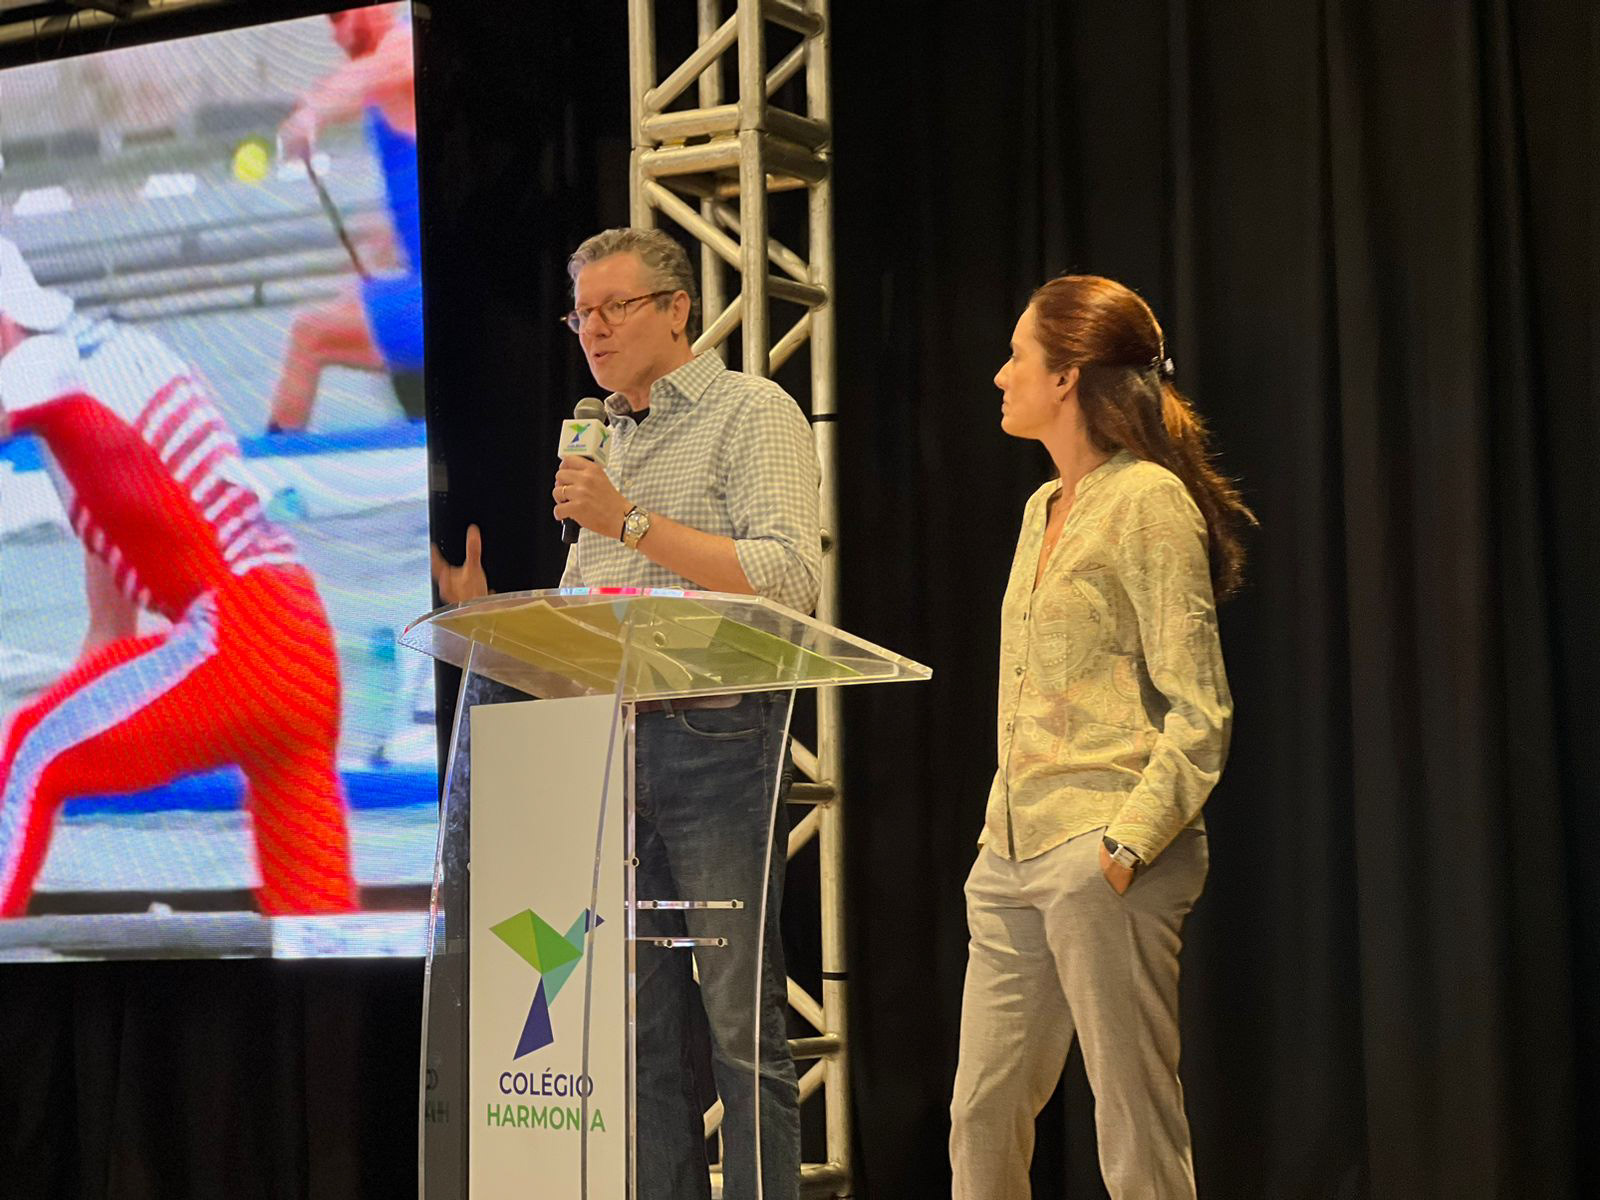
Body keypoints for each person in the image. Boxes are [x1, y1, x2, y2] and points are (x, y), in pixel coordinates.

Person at [433, 227, 821, 1200]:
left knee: (739, 1028)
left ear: (678, 309)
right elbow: (595, 616)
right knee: (634, 1032)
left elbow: (787, 579)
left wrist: (626, 520)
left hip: (715, 743)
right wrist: (496, 621)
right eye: (581, 315)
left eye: (614, 308)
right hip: (609, 755)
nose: (593, 330)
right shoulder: (603, 439)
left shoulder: (751, 411)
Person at [948, 274, 1255, 1199]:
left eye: (1017, 357)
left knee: (1133, 1125)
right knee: (981, 1116)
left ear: (1067, 376)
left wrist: (1124, 847)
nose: (1000, 375)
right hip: (1011, 849)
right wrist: (1001, 834)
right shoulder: (1041, 506)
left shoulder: (1147, 499)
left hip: (1105, 845)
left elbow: (1201, 708)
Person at [0, 235, 357, 917]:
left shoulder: (47, 367)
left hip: (238, 631)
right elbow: (109, 638)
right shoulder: (109, 370)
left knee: (27, 754)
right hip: (303, 640)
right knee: (315, 924)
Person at [268, 3, 422, 431]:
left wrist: (311, 113)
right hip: (429, 283)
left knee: (309, 334)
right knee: (349, 302)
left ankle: (269, 465)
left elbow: (370, 75)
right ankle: (422, 428)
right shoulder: (388, 79)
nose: (335, 35)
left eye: (339, 16)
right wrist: (382, 241)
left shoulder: (405, 43)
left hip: (450, 297)